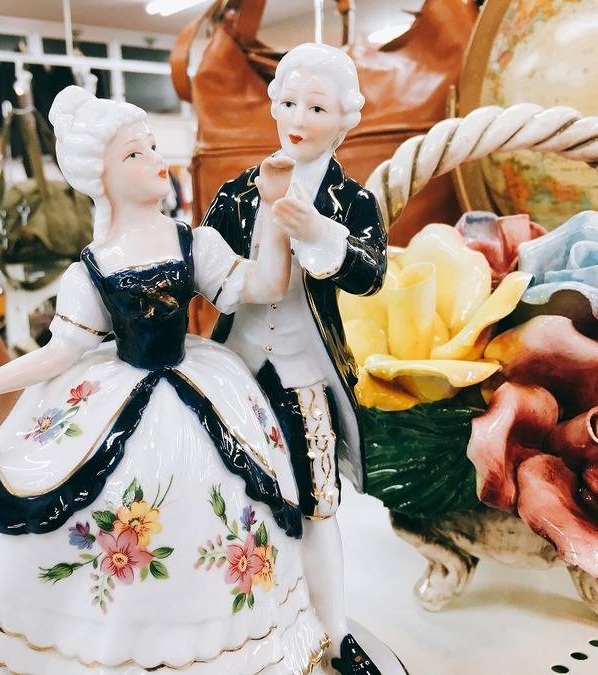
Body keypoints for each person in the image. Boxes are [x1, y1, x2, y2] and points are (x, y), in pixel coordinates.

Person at [0, 86, 332, 674]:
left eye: (151, 147)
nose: (154, 160)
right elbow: (59, 353)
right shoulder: (91, 270)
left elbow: (264, 284)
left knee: (224, 500)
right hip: (119, 393)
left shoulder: (192, 242)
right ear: (100, 177)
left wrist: (276, 214)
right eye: (133, 153)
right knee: (84, 495)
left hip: (203, 386)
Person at [200, 43, 387, 672]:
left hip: (305, 373)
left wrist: (320, 234)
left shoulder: (351, 203)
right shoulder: (237, 194)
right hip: (236, 369)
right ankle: (241, 628)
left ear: (345, 119)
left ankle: (334, 634)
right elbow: (203, 267)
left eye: (316, 107)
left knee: (317, 505)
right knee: (231, 496)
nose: (297, 117)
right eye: (288, 102)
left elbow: (370, 275)